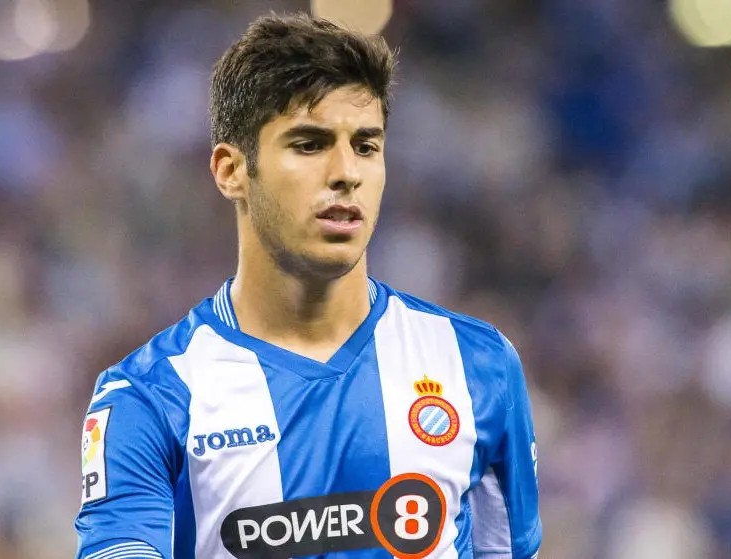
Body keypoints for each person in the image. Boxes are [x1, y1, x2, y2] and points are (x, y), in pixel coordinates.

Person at [74, 12, 541, 559]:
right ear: (230, 170)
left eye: (366, 146)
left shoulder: (478, 364)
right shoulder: (150, 396)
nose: (346, 172)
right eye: (310, 144)